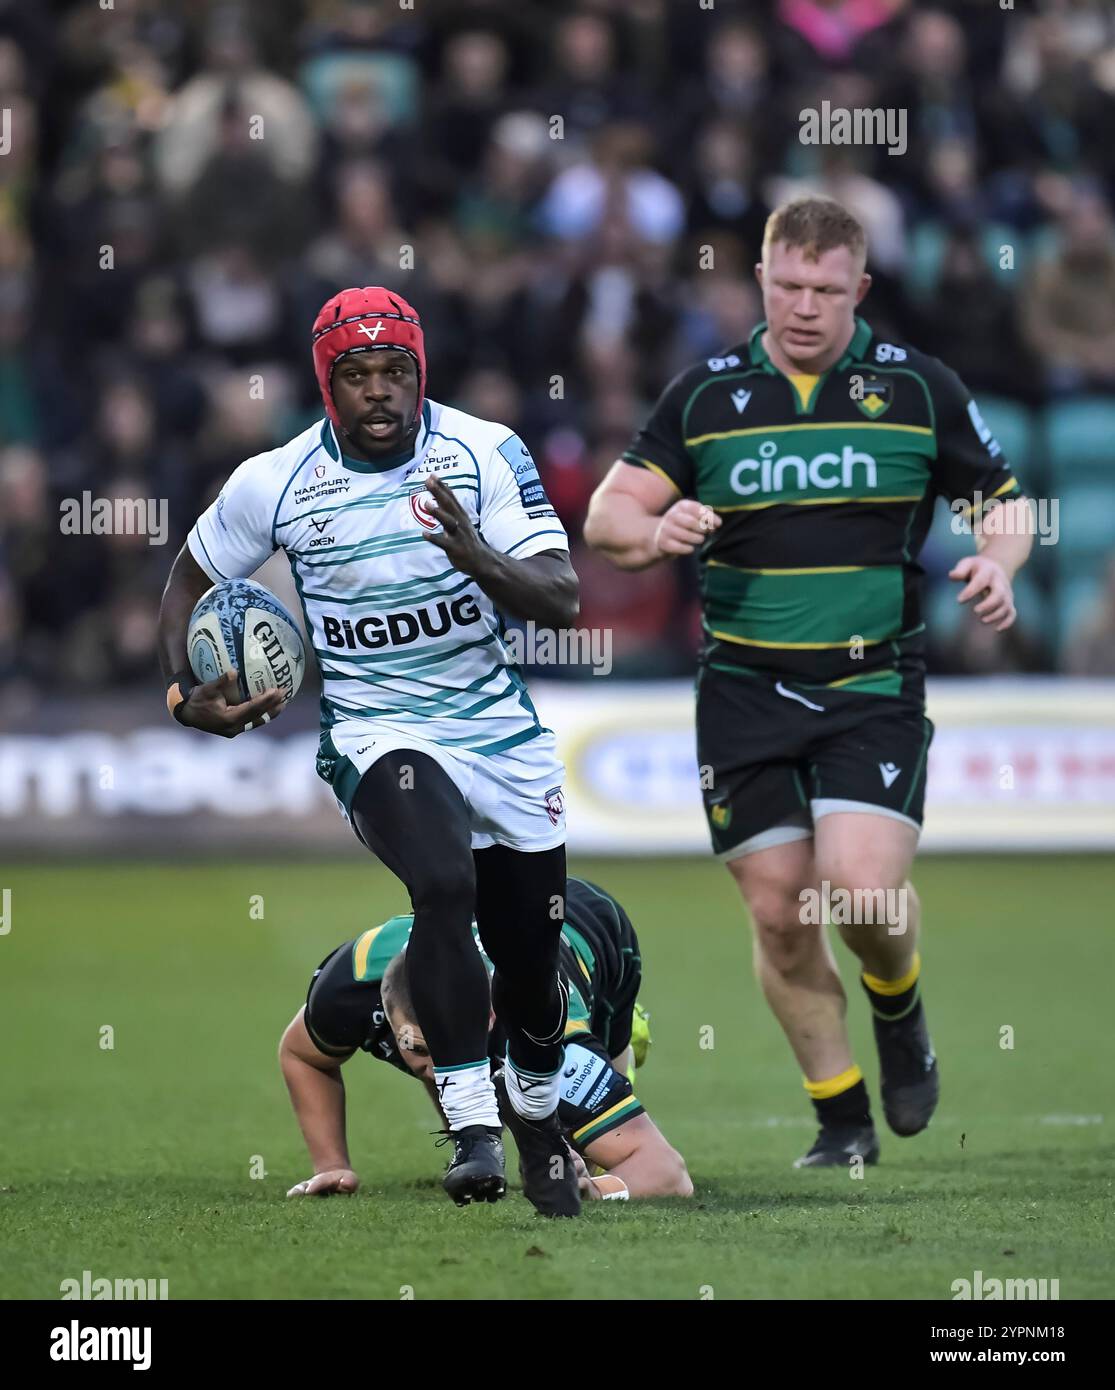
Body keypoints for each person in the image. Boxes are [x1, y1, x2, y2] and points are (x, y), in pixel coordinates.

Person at [583, 197, 1033, 1167]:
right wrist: (652, 533)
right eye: (786, 285)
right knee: (780, 911)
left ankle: (897, 1006)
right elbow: (606, 516)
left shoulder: (916, 388)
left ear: (858, 290)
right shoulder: (704, 396)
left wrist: (997, 562)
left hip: (869, 684)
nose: (801, 306)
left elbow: (1003, 505)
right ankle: (840, 1120)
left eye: (824, 290)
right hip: (742, 689)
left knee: (861, 893)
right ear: (760, 281)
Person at [158, 286, 583, 1213]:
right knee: (440, 885)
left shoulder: (483, 453)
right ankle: (475, 1130)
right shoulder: (275, 480)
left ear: (420, 373)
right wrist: (190, 693)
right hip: (374, 730)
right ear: (327, 383)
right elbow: (192, 574)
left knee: (530, 970)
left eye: (397, 372)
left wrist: (481, 560)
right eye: (358, 376)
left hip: (499, 736)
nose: (381, 392)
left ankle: (537, 1108)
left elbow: (559, 598)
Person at [280, 877, 692, 1205]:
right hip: (502, 919)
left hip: (595, 933)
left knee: (586, 1154)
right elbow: (303, 1055)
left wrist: (595, 1190)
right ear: (385, 1015)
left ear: (491, 1015)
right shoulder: (351, 985)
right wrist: (332, 1164)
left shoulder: (544, 1031)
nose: (441, 1069)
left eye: (453, 1047)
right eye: (420, 1049)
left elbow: (668, 1174)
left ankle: (628, 1038)